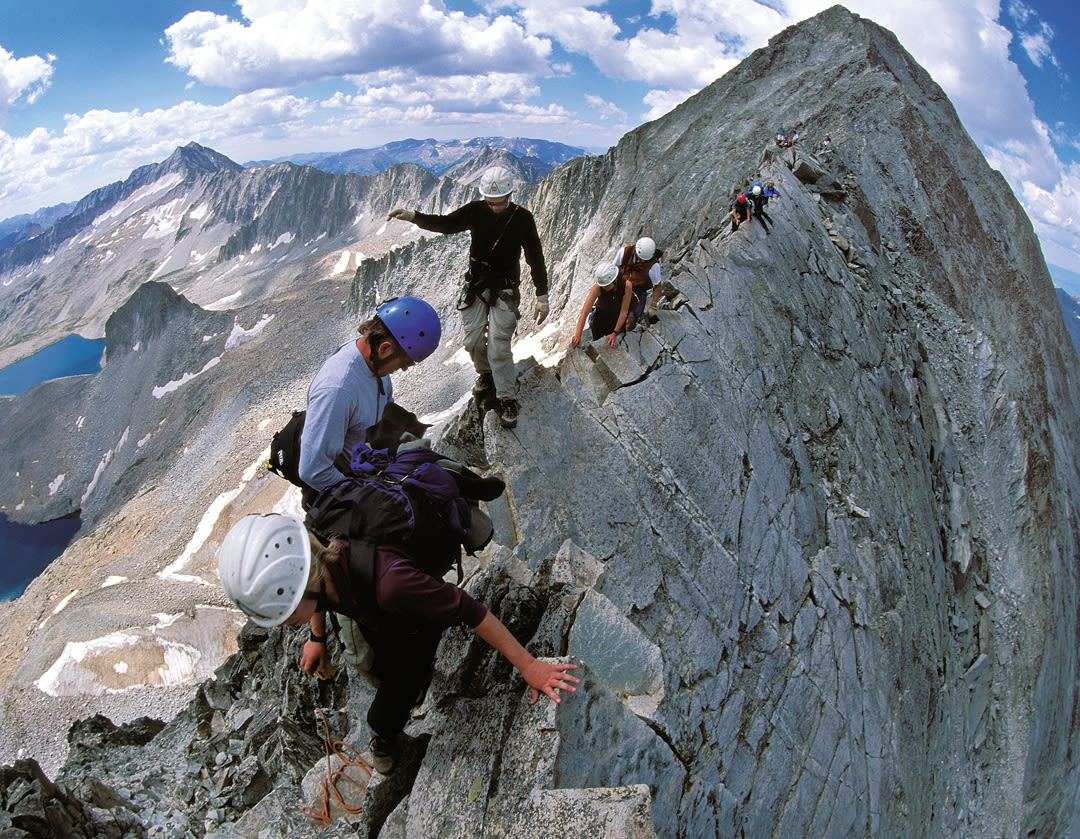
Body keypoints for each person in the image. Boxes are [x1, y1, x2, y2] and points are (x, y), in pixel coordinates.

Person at [218, 513, 580, 775]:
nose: (283, 624)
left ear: (304, 587)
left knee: (387, 703)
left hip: (411, 617)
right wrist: (317, 637)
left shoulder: (393, 586)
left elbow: (469, 609)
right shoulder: (317, 548)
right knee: (376, 656)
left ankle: (390, 726)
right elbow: (316, 589)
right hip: (372, 609)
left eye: (283, 612)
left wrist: (529, 666)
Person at [297, 296, 441, 687]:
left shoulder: (377, 373)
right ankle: (376, 683)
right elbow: (312, 470)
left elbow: (378, 424)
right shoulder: (338, 386)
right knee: (359, 627)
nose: (403, 370)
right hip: (336, 501)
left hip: (358, 484)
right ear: (384, 347)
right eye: (403, 362)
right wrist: (366, 497)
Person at [387, 166, 549, 429]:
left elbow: (535, 256)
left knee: (498, 344)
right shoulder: (475, 211)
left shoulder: (522, 219)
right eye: (490, 201)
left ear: (510, 195)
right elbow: (446, 224)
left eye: (500, 202)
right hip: (477, 285)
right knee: (473, 341)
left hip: (505, 288)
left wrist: (542, 293)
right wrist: (413, 216)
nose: (495, 207)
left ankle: (506, 397)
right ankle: (486, 373)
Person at [571, 262, 632, 348]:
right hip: (600, 321)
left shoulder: (626, 286)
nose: (603, 287)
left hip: (617, 320)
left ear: (614, 281)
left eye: (606, 285)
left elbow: (624, 312)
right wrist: (578, 335)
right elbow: (584, 312)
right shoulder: (597, 287)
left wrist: (615, 333)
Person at [613, 236, 663, 331]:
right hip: (621, 285)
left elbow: (657, 285)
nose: (643, 261)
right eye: (641, 258)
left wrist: (654, 305)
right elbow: (615, 267)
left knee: (630, 321)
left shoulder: (653, 265)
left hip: (638, 292)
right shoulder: (625, 252)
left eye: (645, 259)